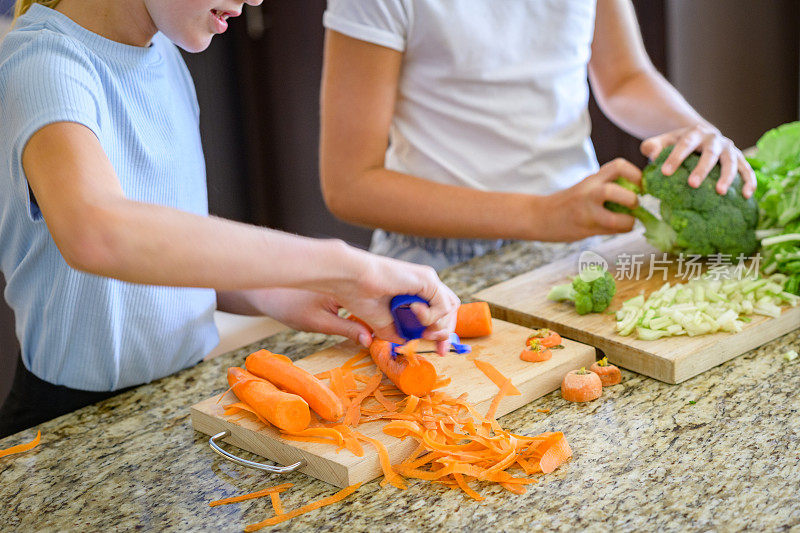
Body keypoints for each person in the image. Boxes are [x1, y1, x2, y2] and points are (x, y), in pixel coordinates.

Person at [0, 0, 459, 438]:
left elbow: (162, 250)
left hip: (180, 398)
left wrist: (276, 293)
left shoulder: (162, 52)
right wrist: (345, 264)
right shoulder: (41, 64)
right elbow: (99, 234)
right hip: (68, 421)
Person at [319, 0, 757, 271]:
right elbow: (350, 184)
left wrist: (695, 131)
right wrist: (540, 215)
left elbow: (624, 77)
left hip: (578, 236)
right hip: (435, 257)